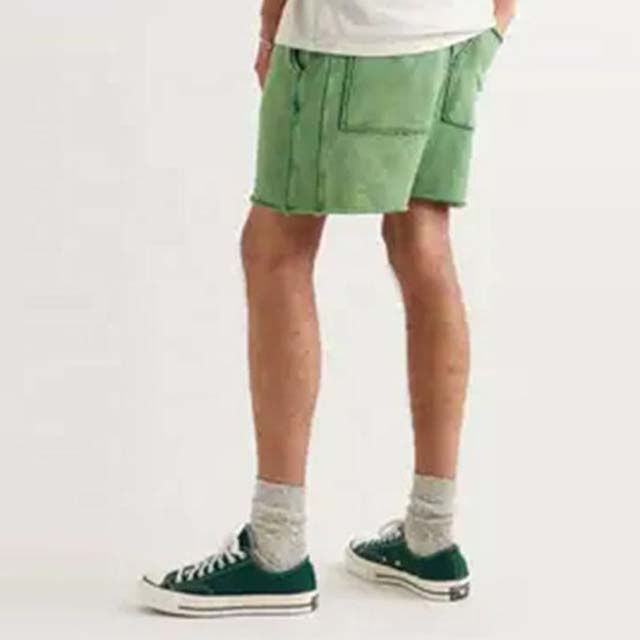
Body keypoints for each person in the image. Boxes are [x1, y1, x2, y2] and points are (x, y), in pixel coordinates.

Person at [139, 0, 517, 617]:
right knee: (423, 239)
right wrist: (495, 21)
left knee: (276, 248)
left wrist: (273, 26)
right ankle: (431, 534)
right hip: (459, 29)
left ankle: (276, 551)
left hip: (352, 32)